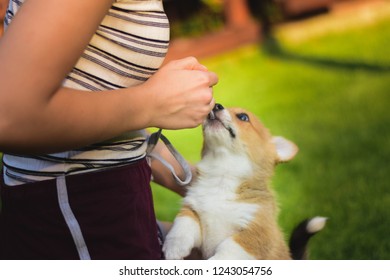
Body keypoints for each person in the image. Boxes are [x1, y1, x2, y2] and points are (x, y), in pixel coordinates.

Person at [0, 0, 218, 260]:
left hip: (101, 202)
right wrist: (150, 103)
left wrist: (208, 192)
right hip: (78, 208)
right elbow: (10, 116)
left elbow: (97, 108)